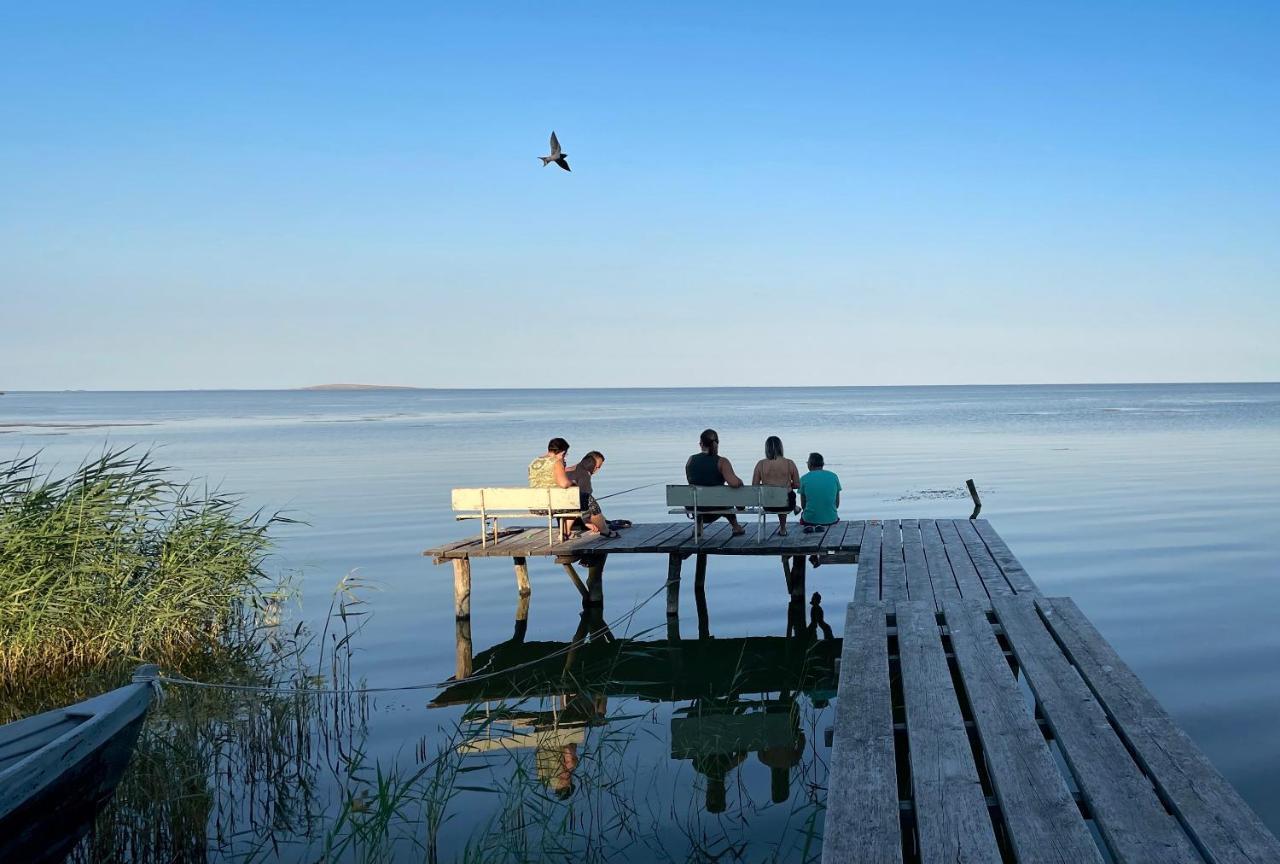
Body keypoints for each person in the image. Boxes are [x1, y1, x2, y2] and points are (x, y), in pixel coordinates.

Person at [685, 428, 746, 536]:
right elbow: (734, 483)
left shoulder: (691, 460)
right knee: (726, 498)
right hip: (717, 507)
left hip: (695, 507)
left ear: (701, 444)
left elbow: (691, 481)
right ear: (717, 443)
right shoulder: (722, 461)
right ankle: (736, 527)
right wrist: (740, 481)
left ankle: (698, 527)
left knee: (698, 496)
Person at [752, 435, 801, 535]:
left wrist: (767, 485)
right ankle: (783, 529)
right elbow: (797, 484)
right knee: (785, 495)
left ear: (767, 448)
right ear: (781, 448)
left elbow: (754, 486)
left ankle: (793, 507)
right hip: (786, 504)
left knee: (779, 496)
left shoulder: (760, 464)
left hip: (768, 504)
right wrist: (787, 485)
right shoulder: (789, 463)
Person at [799, 452, 841, 567]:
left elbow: (803, 506)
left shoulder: (804, 478)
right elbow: (837, 504)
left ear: (810, 465)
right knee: (828, 517)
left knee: (805, 518)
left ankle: (813, 553)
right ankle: (816, 555)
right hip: (831, 519)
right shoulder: (833, 476)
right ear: (822, 464)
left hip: (809, 519)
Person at [568, 450, 617, 537]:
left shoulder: (570, 469)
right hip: (574, 518)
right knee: (590, 501)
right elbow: (584, 503)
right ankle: (605, 531)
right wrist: (586, 522)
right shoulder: (584, 475)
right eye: (597, 467)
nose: (596, 470)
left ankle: (601, 523)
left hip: (561, 514)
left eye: (599, 468)